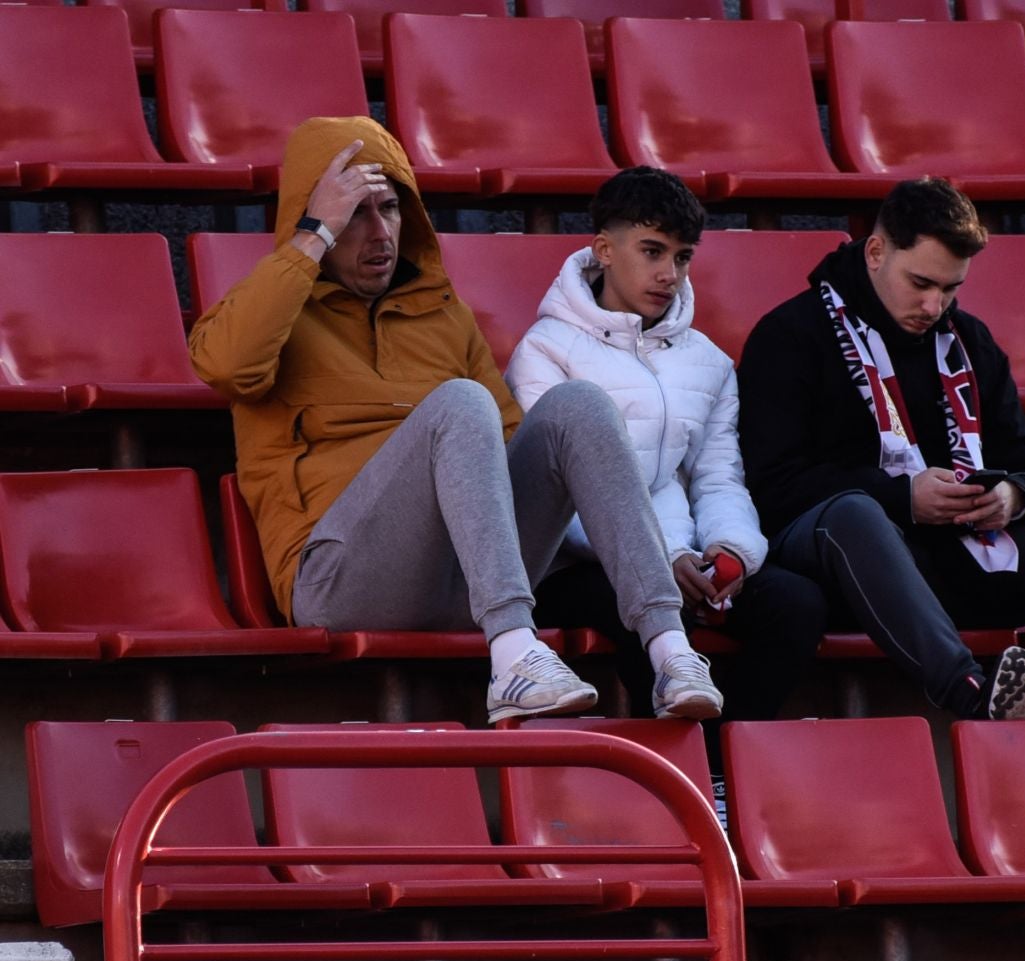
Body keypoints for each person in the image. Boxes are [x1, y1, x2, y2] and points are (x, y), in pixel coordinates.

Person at [189, 117, 721, 725]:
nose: (378, 232)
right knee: (460, 403)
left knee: (579, 405)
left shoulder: (442, 315)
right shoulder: (270, 310)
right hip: (341, 580)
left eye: (389, 209)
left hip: (464, 576)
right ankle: (516, 657)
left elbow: (520, 449)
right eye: (353, 214)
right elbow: (225, 365)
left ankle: (671, 649)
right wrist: (312, 235)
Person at [736, 177, 1025, 720]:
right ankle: (971, 692)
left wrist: (1012, 496)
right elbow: (771, 487)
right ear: (875, 251)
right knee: (854, 512)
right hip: (846, 565)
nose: (933, 305)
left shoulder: (970, 338)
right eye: (920, 282)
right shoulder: (790, 335)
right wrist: (903, 498)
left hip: (964, 555)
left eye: (950, 289)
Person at [506, 167, 827, 762]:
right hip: (575, 559)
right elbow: (548, 497)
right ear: (604, 249)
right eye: (652, 251)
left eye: (682, 258)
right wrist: (658, 562)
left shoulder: (707, 361)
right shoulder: (544, 350)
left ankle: (727, 767)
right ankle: (689, 781)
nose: (668, 274)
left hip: (680, 550)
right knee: (642, 607)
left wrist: (728, 555)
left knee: (796, 604)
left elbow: (718, 477)